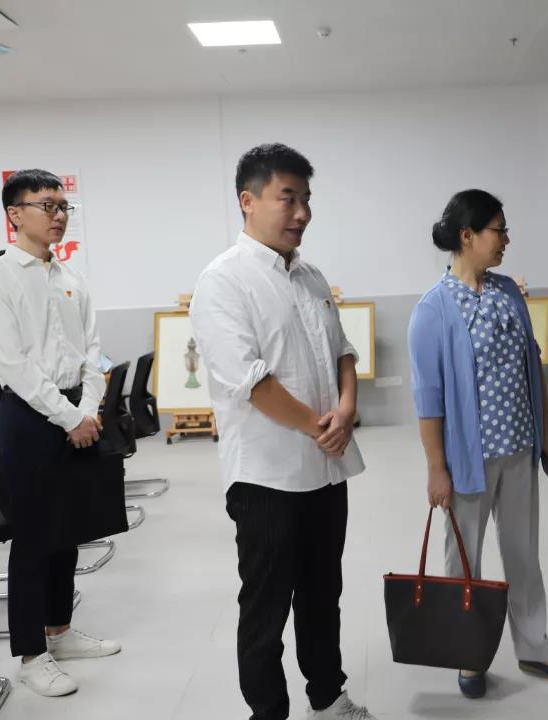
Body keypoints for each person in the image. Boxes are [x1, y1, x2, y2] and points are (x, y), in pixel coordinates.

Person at [190, 143, 375, 720]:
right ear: (248, 201)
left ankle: (328, 697)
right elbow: (250, 381)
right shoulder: (223, 281)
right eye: (287, 198)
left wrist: (346, 408)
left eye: (307, 199)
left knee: (323, 595)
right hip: (266, 476)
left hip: (326, 469)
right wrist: (321, 428)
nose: (301, 213)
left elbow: (343, 351)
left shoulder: (311, 276)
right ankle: (268, 712)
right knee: (266, 608)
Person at [407, 189, 548, 699]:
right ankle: (469, 654)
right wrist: (436, 468)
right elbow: (428, 399)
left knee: (523, 553)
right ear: (468, 236)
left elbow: (532, 366)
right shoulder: (433, 309)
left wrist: (545, 435)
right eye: (498, 231)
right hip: (468, 461)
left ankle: (534, 647)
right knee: (465, 560)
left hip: (519, 450)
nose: (506, 240)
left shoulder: (508, 292)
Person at [0, 169, 120, 697]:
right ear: (15, 214)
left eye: (64, 206)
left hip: (76, 413)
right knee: (33, 537)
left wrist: (89, 408)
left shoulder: (71, 277)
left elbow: (94, 354)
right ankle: (31, 653)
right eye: (47, 206)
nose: (59, 215)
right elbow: (13, 366)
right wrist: (70, 417)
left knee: (68, 529)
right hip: (30, 418)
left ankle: (60, 629)